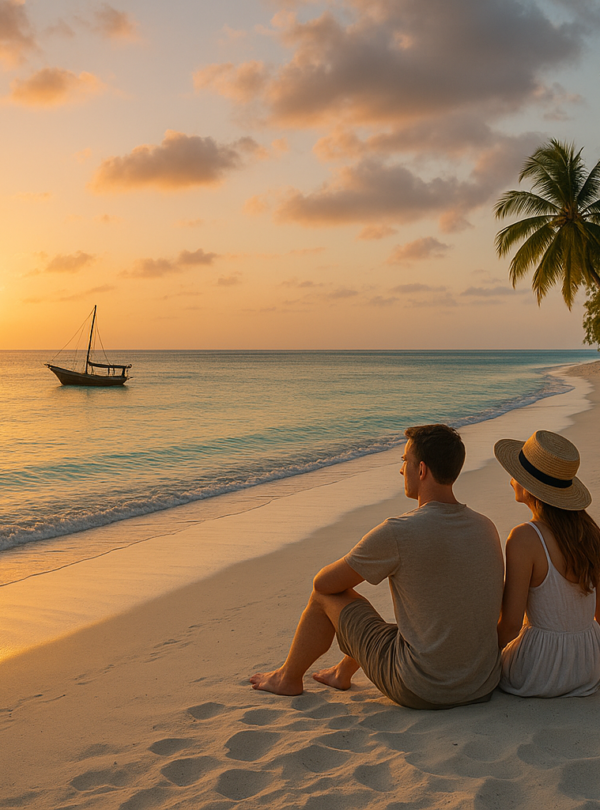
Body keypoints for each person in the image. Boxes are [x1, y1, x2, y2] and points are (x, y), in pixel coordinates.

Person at [250, 424, 505, 709]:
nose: (401, 470)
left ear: (421, 470)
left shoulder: (399, 531)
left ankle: (287, 678)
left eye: (405, 461)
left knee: (324, 596)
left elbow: (323, 584)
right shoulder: (485, 527)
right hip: (480, 683)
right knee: (422, 623)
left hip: (422, 687)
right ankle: (341, 672)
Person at [495, 429, 600, 697]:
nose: (511, 480)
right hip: (588, 666)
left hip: (538, 669)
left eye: (516, 474)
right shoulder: (591, 534)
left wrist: (485, 657)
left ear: (529, 486)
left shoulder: (524, 538)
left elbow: (511, 626)